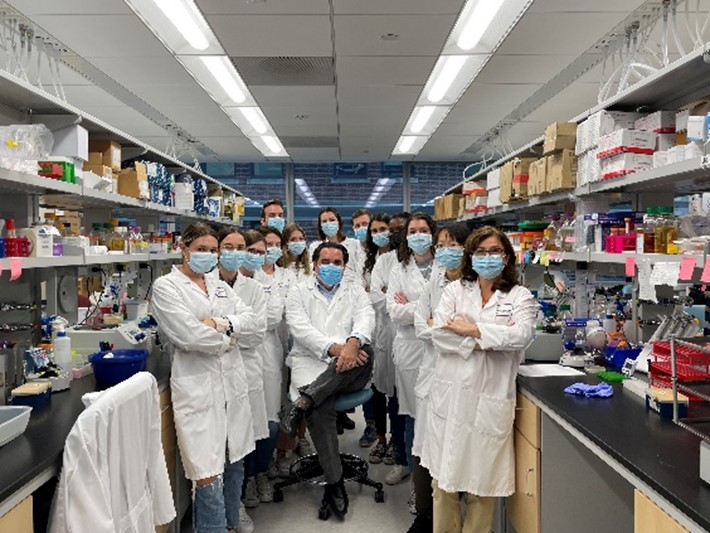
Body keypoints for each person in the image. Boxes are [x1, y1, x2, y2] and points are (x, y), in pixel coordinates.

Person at [421, 226, 538, 533]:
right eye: (481, 252)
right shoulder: (455, 290)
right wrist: (489, 339)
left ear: (507, 257)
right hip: (452, 398)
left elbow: (522, 336)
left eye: (495, 251)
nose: (488, 258)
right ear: (471, 256)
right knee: (443, 483)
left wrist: (472, 331)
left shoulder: (519, 295)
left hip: (490, 398)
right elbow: (439, 336)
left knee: (482, 487)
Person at [150, 222, 259, 533]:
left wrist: (219, 322)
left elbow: (250, 321)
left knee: (234, 460)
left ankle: (231, 525)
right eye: (201, 250)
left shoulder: (218, 284)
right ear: (183, 249)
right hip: (197, 387)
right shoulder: (166, 287)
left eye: (213, 250)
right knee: (206, 474)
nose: (209, 256)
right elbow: (188, 336)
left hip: (231, 386)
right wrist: (228, 339)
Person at [280, 242, 375, 518]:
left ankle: (303, 402)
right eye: (326, 261)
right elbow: (300, 328)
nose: (331, 267)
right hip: (311, 361)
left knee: (366, 349)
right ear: (316, 263)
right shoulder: (299, 291)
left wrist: (354, 342)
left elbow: (366, 318)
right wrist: (339, 350)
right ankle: (335, 485)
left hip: (352, 367)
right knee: (320, 407)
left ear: (344, 266)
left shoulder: (355, 291)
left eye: (337, 262)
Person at [408, 223, 469, 533]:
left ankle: (458, 517)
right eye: (441, 244)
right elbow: (421, 325)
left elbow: (472, 335)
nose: (445, 250)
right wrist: (444, 328)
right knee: (425, 447)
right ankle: (424, 515)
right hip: (432, 375)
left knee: (458, 449)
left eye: (452, 244)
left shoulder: (477, 286)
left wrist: (442, 327)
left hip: (465, 377)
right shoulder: (435, 281)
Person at [387, 213, 440, 507]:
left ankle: (438, 482)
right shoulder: (399, 269)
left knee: (438, 414)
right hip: (409, 350)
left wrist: (414, 309)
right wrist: (428, 313)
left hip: (441, 351)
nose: (418, 234)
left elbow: (450, 310)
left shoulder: (446, 267)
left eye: (423, 230)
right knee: (413, 416)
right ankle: (418, 487)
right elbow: (393, 312)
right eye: (412, 230)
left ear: (432, 233)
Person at [368, 212, 410, 468]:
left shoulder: (422, 262)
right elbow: (375, 297)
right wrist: (395, 298)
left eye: (400, 229)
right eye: (391, 230)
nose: (395, 234)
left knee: (403, 399)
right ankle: (387, 442)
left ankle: (400, 447)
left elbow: (428, 305)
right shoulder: (384, 260)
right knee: (386, 393)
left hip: (413, 339)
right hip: (386, 335)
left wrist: (392, 296)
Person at [234, 230, 272, 510]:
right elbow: (199, 326)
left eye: (262, 251)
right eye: (251, 250)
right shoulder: (213, 283)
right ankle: (238, 492)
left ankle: (256, 476)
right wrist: (235, 328)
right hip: (219, 367)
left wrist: (226, 328)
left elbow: (260, 330)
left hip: (256, 360)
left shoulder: (261, 285)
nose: (255, 256)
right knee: (234, 435)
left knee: (260, 425)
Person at [358, 212, 391, 450]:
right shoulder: (369, 261)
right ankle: (380, 437)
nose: (379, 234)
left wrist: (378, 294)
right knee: (377, 388)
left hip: (398, 330)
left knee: (398, 393)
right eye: (375, 231)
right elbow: (366, 295)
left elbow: (380, 296)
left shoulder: (400, 260)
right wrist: (380, 294)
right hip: (374, 328)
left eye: (383, 229)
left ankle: (396, 443)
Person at [308, 207, 363, 286]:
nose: (328, 223)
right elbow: (313, 272)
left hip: (352, 288)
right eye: (324, 221)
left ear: (339, 222)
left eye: (332, 220)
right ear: (320, 226)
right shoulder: (315, 247)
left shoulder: (355, 244)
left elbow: (360, 271)